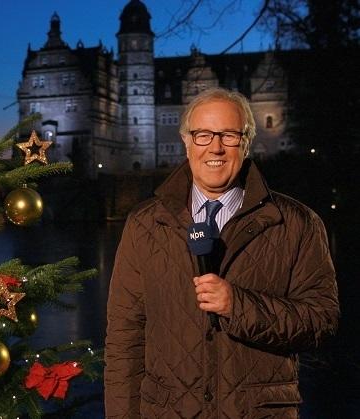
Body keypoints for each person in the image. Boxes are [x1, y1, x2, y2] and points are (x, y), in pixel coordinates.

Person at [104, 87, 339, 418]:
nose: (215, 146)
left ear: (246, 143)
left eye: (228, 135)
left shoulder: (297, 223)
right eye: (203, 135)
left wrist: (238, 305)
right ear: (187, 142)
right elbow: (124, 340)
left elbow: (321, 321)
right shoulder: (144, 224)